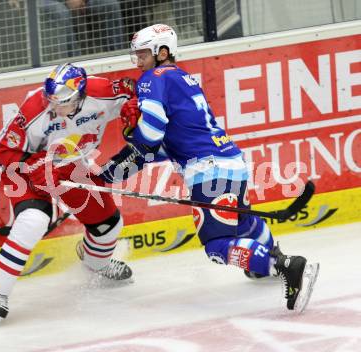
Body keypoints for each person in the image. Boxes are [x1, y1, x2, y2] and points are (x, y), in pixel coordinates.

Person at [97, 24, 320, 312]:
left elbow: (150, 137)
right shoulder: (182, 78)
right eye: (136, 55)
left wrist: (132, 137)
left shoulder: (153, 78)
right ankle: (265, 259)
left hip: (209, 171)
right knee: (244, 223)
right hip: (231, 162)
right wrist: (119, 164)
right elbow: (165, 146)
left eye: (143, 54)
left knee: (217, 246)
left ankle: (286, 265)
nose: (138, 62)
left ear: (162, 52)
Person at [0, 63, 136, 326]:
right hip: (26, 169)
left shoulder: (101, 93)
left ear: (80, 96)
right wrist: (35, 165)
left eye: (61, 102)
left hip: (71, 166)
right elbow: (5, 150)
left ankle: (96, 264)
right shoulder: (34, 107)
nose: (54, 107)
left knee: (109, 225)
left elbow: (134, 90)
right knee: (33, 221)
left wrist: (137, 112)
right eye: (50, 100)